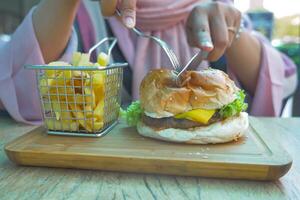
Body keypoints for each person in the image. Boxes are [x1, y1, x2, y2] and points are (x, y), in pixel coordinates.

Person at [0, 0, 297, 126]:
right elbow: (23, 89)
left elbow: (282, 81)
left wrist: (234, 33)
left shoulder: (219, 6)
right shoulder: (85, 14)